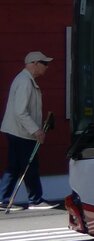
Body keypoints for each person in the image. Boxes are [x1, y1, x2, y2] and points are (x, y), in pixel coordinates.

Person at [1, 51, 52, 209]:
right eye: (44, 63)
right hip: (22, 132)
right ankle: (35, 200)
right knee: (30, 165)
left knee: (14, 166)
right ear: (34, 64)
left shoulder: (25, 80)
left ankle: (4, 200)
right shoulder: (25, 82)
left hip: (16, 131)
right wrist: (36, 130)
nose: (47, 67)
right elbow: (20, 111)